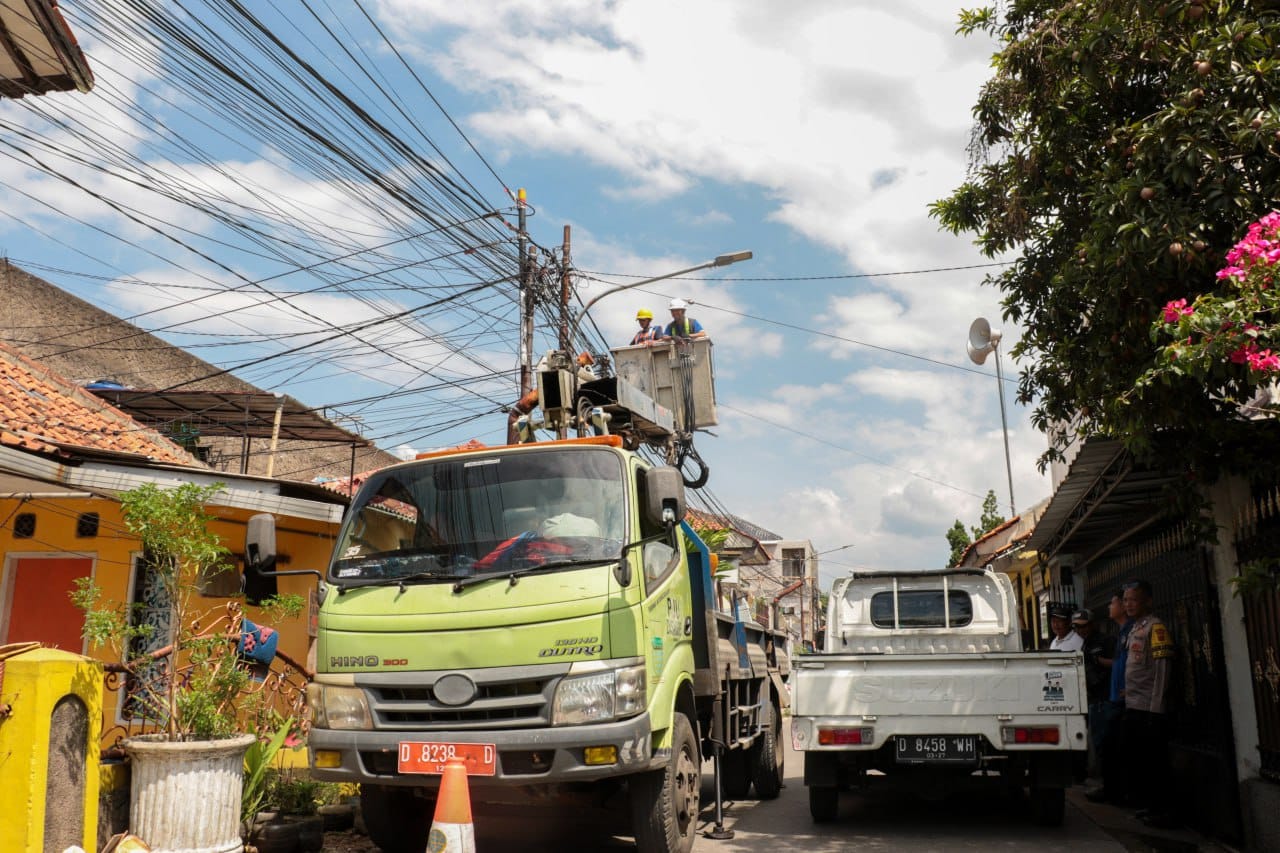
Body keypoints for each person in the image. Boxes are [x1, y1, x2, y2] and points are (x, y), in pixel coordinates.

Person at [1120, 579, 1177, 827]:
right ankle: (1151, 806)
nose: (1129, 604)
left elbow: (1163, 670)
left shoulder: (1156, 628)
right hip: (1134, 705)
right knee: (1142, 761)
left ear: (1147, 601)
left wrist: (1157, 707)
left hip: (1150, 709)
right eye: (1125, 600)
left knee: (1157, 763)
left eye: (1133, 599)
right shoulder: (1135, 628)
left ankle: (1164, 811)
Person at [1087, 591, 1130, 805]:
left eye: (1113, 603)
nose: (1109, 607)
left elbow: (1130, 665)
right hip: (1112, 697)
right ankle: (1112, 789)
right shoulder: (1122, 632)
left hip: (1120, 698)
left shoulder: (1130, 632)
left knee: (1112, 747)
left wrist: (1098, 662)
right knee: (1107, 746)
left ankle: (1118, 791)